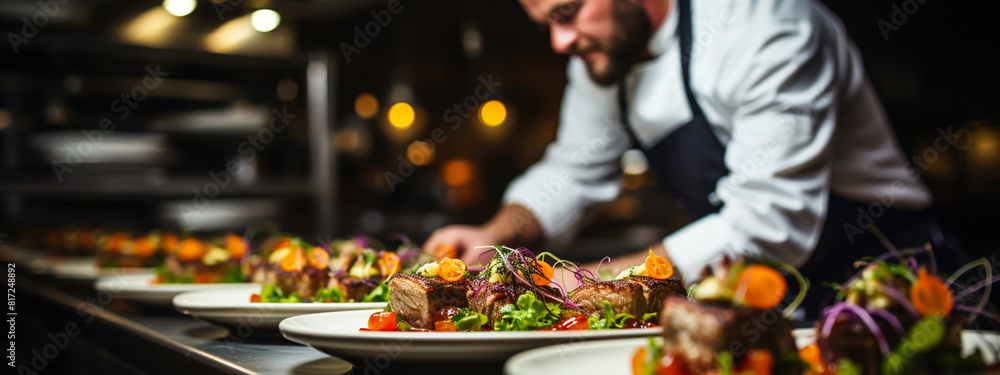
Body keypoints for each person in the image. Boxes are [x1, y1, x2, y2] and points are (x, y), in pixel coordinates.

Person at [423, 0, 955, 315]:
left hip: (892, 284)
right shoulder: (603, 57)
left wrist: (585, 283)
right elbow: (572, 171)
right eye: (546, 23)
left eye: (568, 13)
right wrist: (495, 234)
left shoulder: (767, 27)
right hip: (758, 300)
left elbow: (766, 224)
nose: (559, 42)